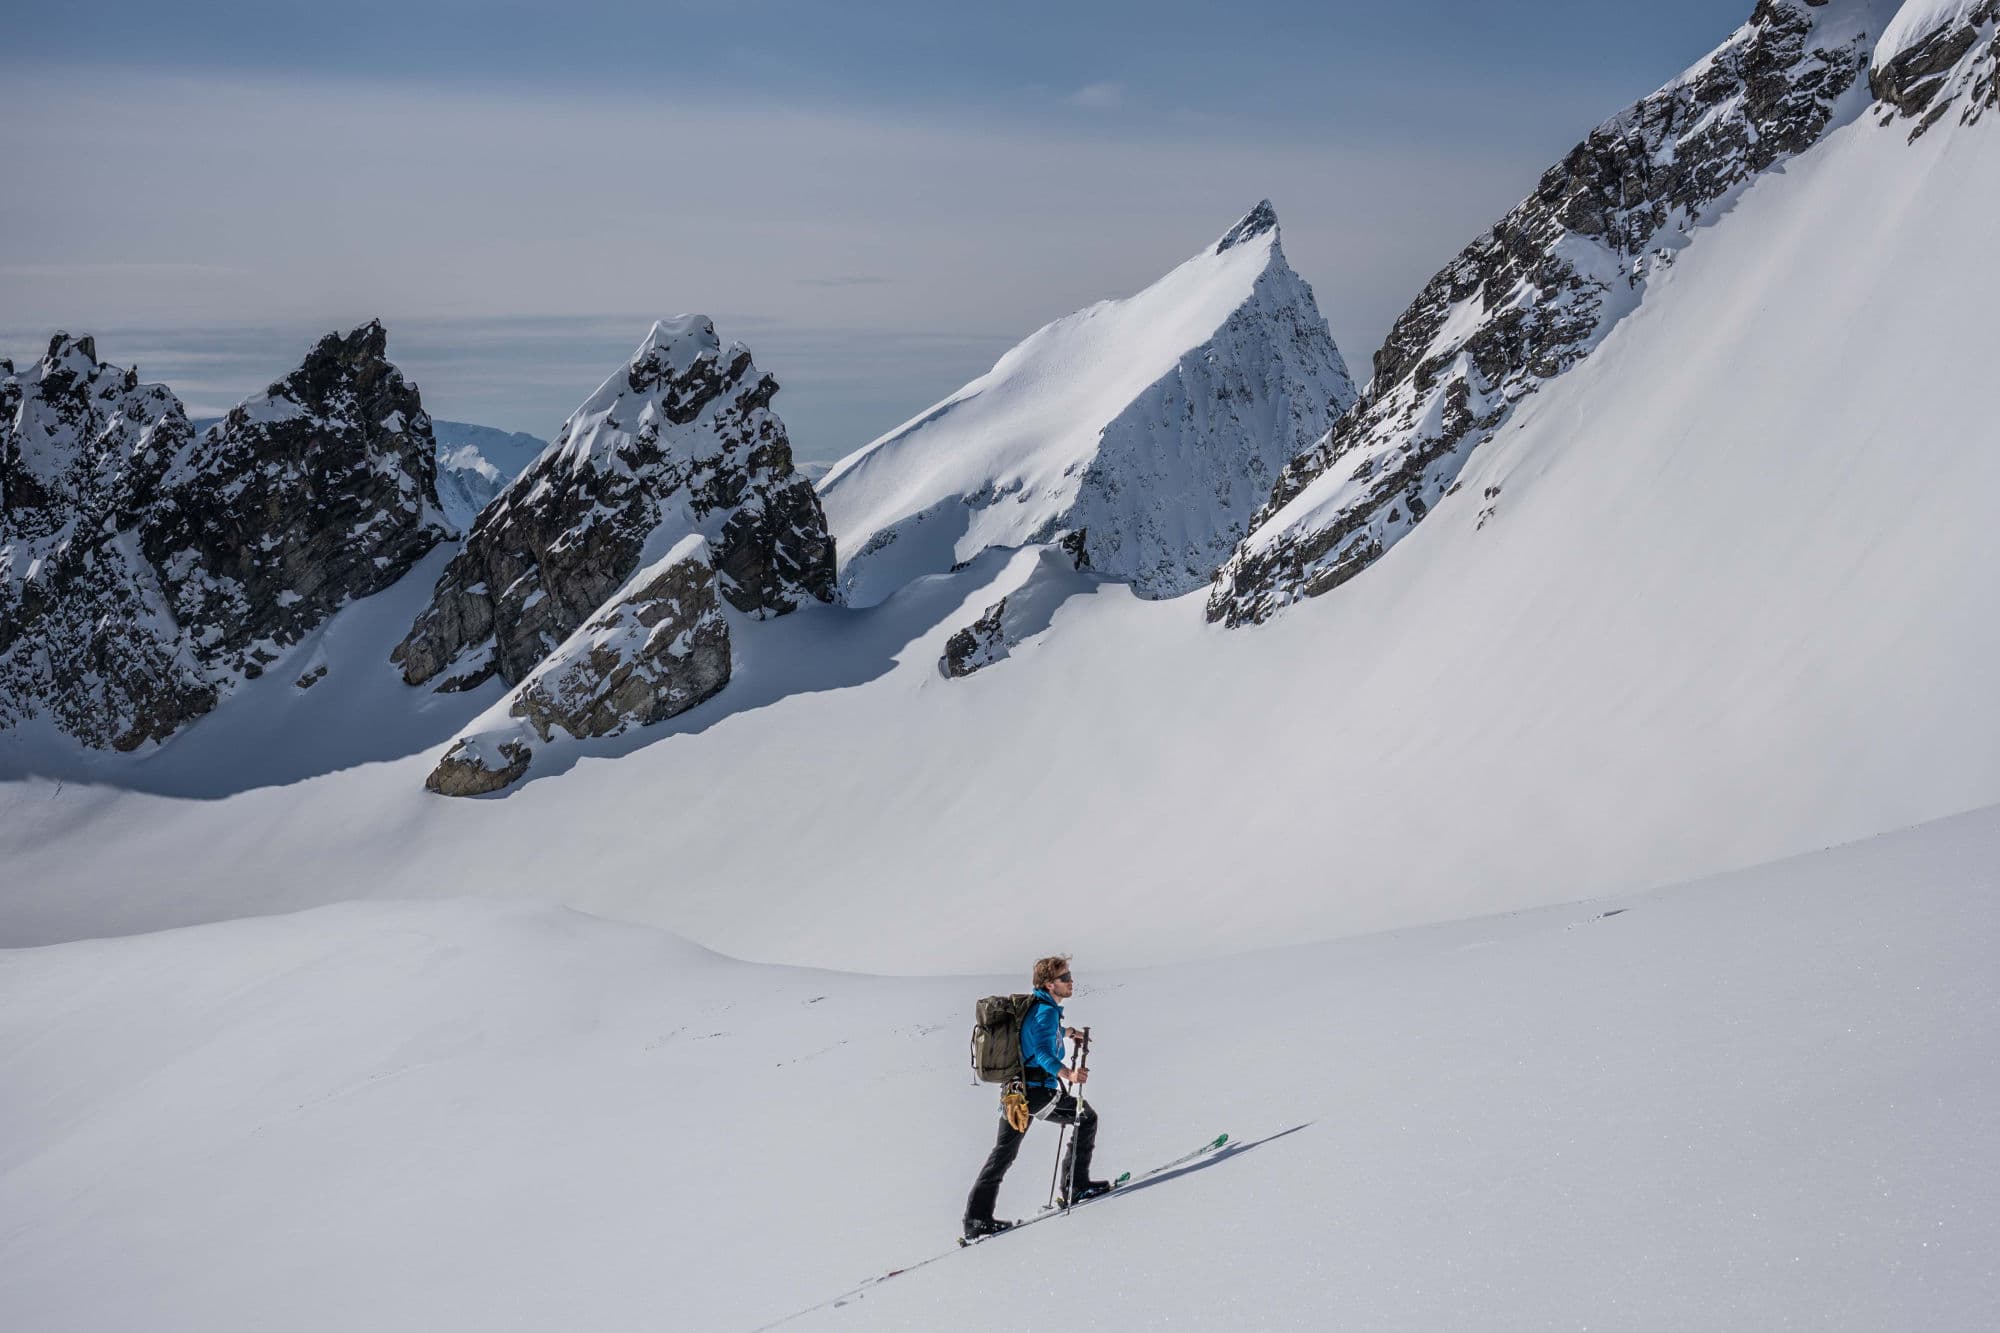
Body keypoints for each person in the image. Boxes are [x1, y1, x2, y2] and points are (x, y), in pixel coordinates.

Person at [963, 955, 1110, 1239]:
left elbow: (1039, 1035)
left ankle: (976, 1219)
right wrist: (1068, 1074)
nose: (1071, 981)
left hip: (1015, 1092)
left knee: (1003, 1152)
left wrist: (1068, 1032)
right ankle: (1076, 1186)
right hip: (1037, 1092)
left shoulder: (1035, 1007)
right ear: (1049, 984)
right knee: (1086, 1118)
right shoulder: (1046, 1011)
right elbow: (1042, 1052)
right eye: (1065, 978)